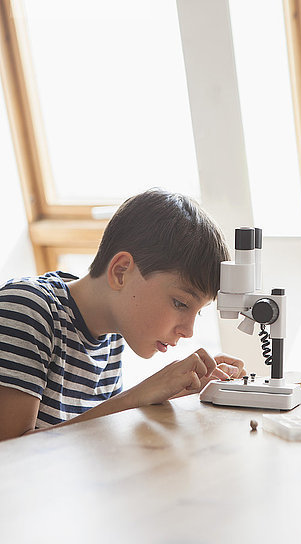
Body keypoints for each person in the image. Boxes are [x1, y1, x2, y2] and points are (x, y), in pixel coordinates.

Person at [0, 189, 246, 441]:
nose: (189, 331)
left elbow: (90, 439)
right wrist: (138, 395)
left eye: (199, 312)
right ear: (121, 272)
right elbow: (10, 452)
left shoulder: (112, 336)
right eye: (180, 303)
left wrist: (172, 392)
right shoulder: (27, 308)